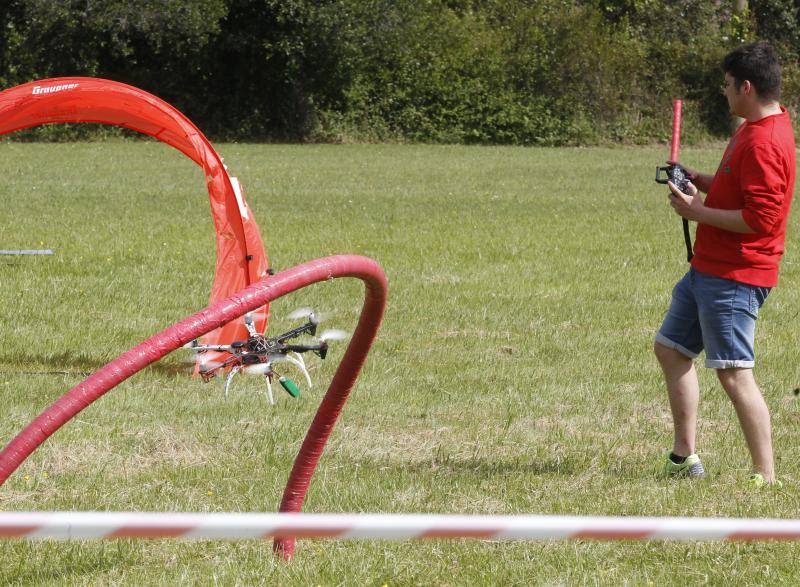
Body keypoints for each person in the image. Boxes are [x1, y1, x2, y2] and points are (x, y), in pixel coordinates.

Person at [654, 41, 795, 487]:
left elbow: (761, 220)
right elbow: (738, 188)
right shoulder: (752, 127)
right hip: (708, 269)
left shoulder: (766, 142)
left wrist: (697, 212)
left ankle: (765, 475)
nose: (724, 91)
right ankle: (684, 457)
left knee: (734, 375)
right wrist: (698, 180)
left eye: (728, 85)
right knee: (672, 349)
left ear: (747, 87)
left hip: (736, 276)